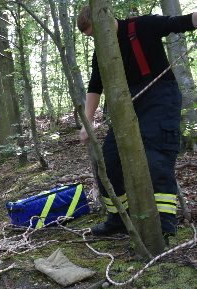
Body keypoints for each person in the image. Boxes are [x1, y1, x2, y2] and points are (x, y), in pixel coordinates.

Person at [77, 7, 197, 238]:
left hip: (161, 97)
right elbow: (95, 86)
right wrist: (87, 122)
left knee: (155, 155)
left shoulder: (141, 26)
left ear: (108, 20)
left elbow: (181, 22)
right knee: (110, 160)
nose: (96, 41)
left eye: (96, 34)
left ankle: (162, 224)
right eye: (91, 38)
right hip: (126, 106)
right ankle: (119, 218)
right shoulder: (100, 53)